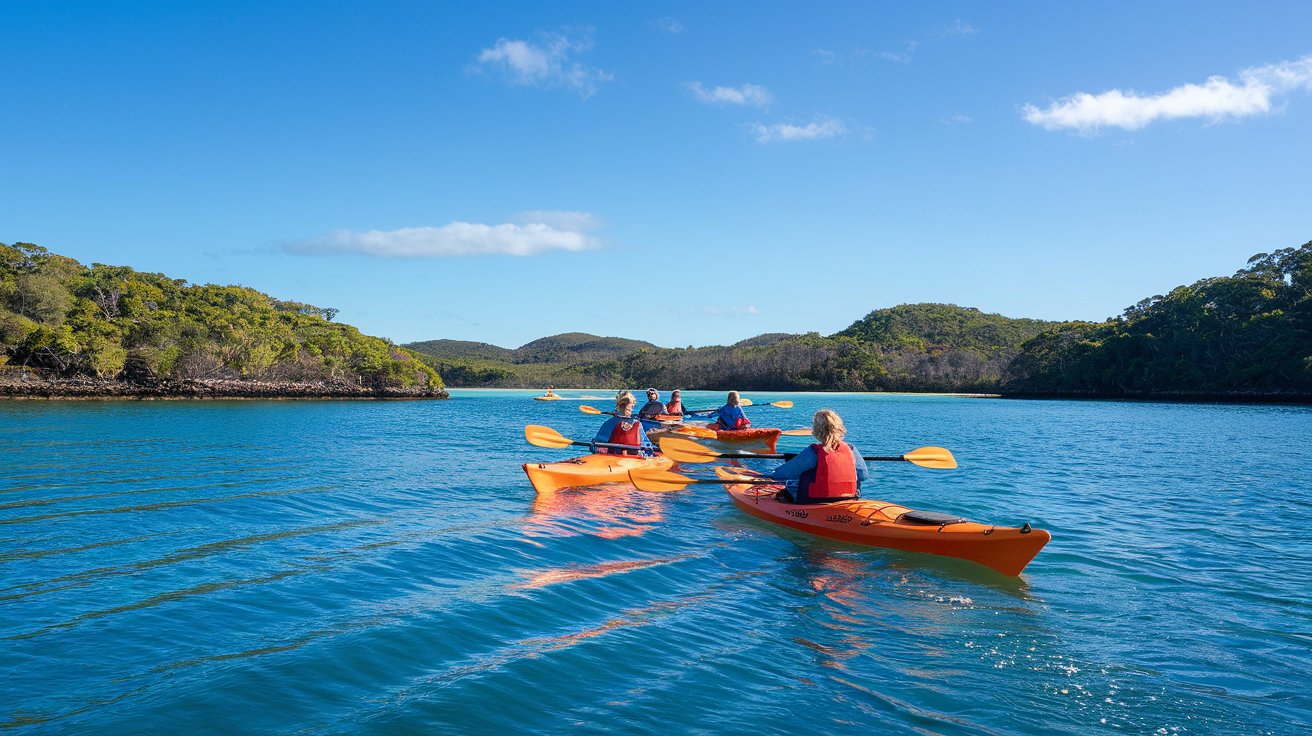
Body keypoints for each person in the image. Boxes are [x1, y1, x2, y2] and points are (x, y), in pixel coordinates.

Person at [768, 409, 868, 504]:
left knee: (793, 483)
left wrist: (769, 475)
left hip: (814, 501)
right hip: (848, 498)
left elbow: (782, 474)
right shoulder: (851, 449)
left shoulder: (813, 452)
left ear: (816, 431)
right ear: (839, 428)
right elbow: (863, 476)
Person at [592, 391, 655, 456]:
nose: (629, 409)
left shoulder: (636, 424)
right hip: (617, 458)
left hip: (629, 459)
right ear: (620, 406)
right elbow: (595, 446)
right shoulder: (611, 423)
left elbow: (647, 445)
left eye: (631, 407)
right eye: (626, 406)